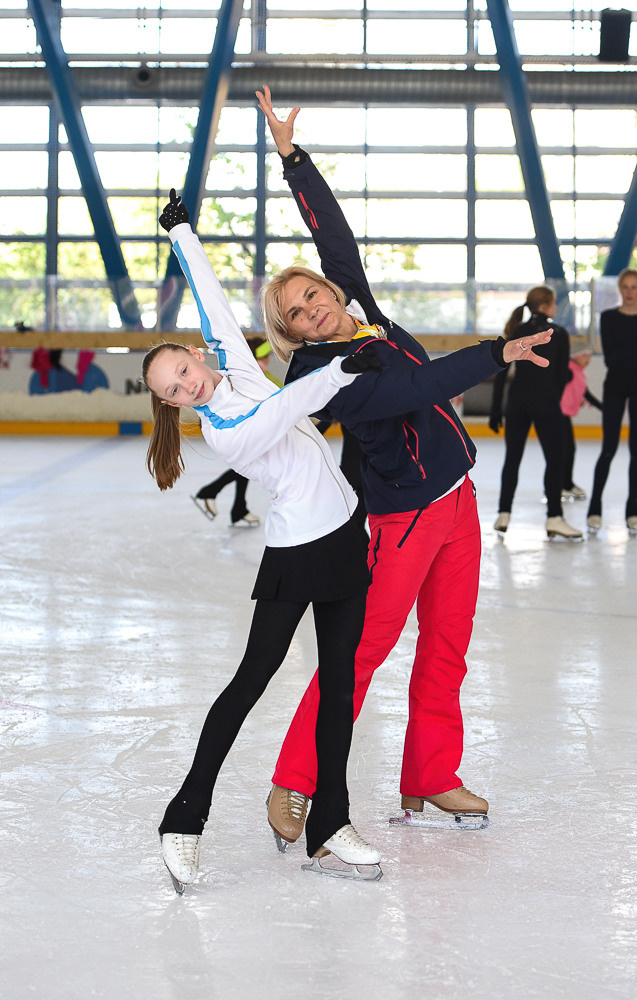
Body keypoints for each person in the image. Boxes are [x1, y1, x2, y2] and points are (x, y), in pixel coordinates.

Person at [255, 85, 554, 842]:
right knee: (358, 653)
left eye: (311, 292)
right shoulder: (319, 376)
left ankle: (430, 776)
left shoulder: (360, 305)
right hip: (398, 518)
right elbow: (415, 386)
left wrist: (293, 161)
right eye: (293, 311)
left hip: (455, 500)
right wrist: (493, 353)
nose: (310, 306)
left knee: (447, 646)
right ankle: (293, 780)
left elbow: (335, 235)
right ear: (289, 332)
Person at [143, 190, 384, 889]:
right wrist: (343, 366)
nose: (187, 385)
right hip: (298, 553)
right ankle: (183, 818)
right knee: (251, 681)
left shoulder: (230, 361)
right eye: (173, 391)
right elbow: (289, 404)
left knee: (338, 686)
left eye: (183, 371)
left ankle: (329, 823)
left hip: (345, 534)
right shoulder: (226, 431)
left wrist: (183, 232)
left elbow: (212, 296)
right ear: (171, 405)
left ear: (195, 354)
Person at [489, 285, 582, 540]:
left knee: (513, 458)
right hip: (546, 404)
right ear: (547, 306)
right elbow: (562, 375)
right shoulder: (559, 333)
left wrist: (496, 409)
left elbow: (501, 372)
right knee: (555, 459)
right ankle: (554, 517)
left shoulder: (516, 330)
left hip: (517, 403)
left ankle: (503, 513)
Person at [586, 268, 637, 534]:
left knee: (636, 449)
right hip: (615, 386)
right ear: (620, 289)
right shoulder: (608, 318)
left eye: (634, 287)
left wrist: (629, 355)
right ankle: (594, 507)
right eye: (625, 287)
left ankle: (632, 509)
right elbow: (610, 359)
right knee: (609, 448)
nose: (629, 292)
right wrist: (634, 354)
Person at [191, 337, 277, 527]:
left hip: (245, 429)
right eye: (266, 355)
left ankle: (236, 506)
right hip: (239, 429)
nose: (269, 357)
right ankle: (214, 493)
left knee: (247, 463)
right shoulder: (254, 375)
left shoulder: (252, 373)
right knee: (248, 463)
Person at [560, 349, 601, 501]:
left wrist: (603, 408)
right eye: (584, 355)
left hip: (565, 414)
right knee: (563, 450)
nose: (588, 359)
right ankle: (558, 486)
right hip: (558, 413)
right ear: (575, 355)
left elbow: (585, 393)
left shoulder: (578, 372)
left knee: (569, 449)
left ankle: (567, 483)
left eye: (590, 356)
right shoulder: (567, 369)